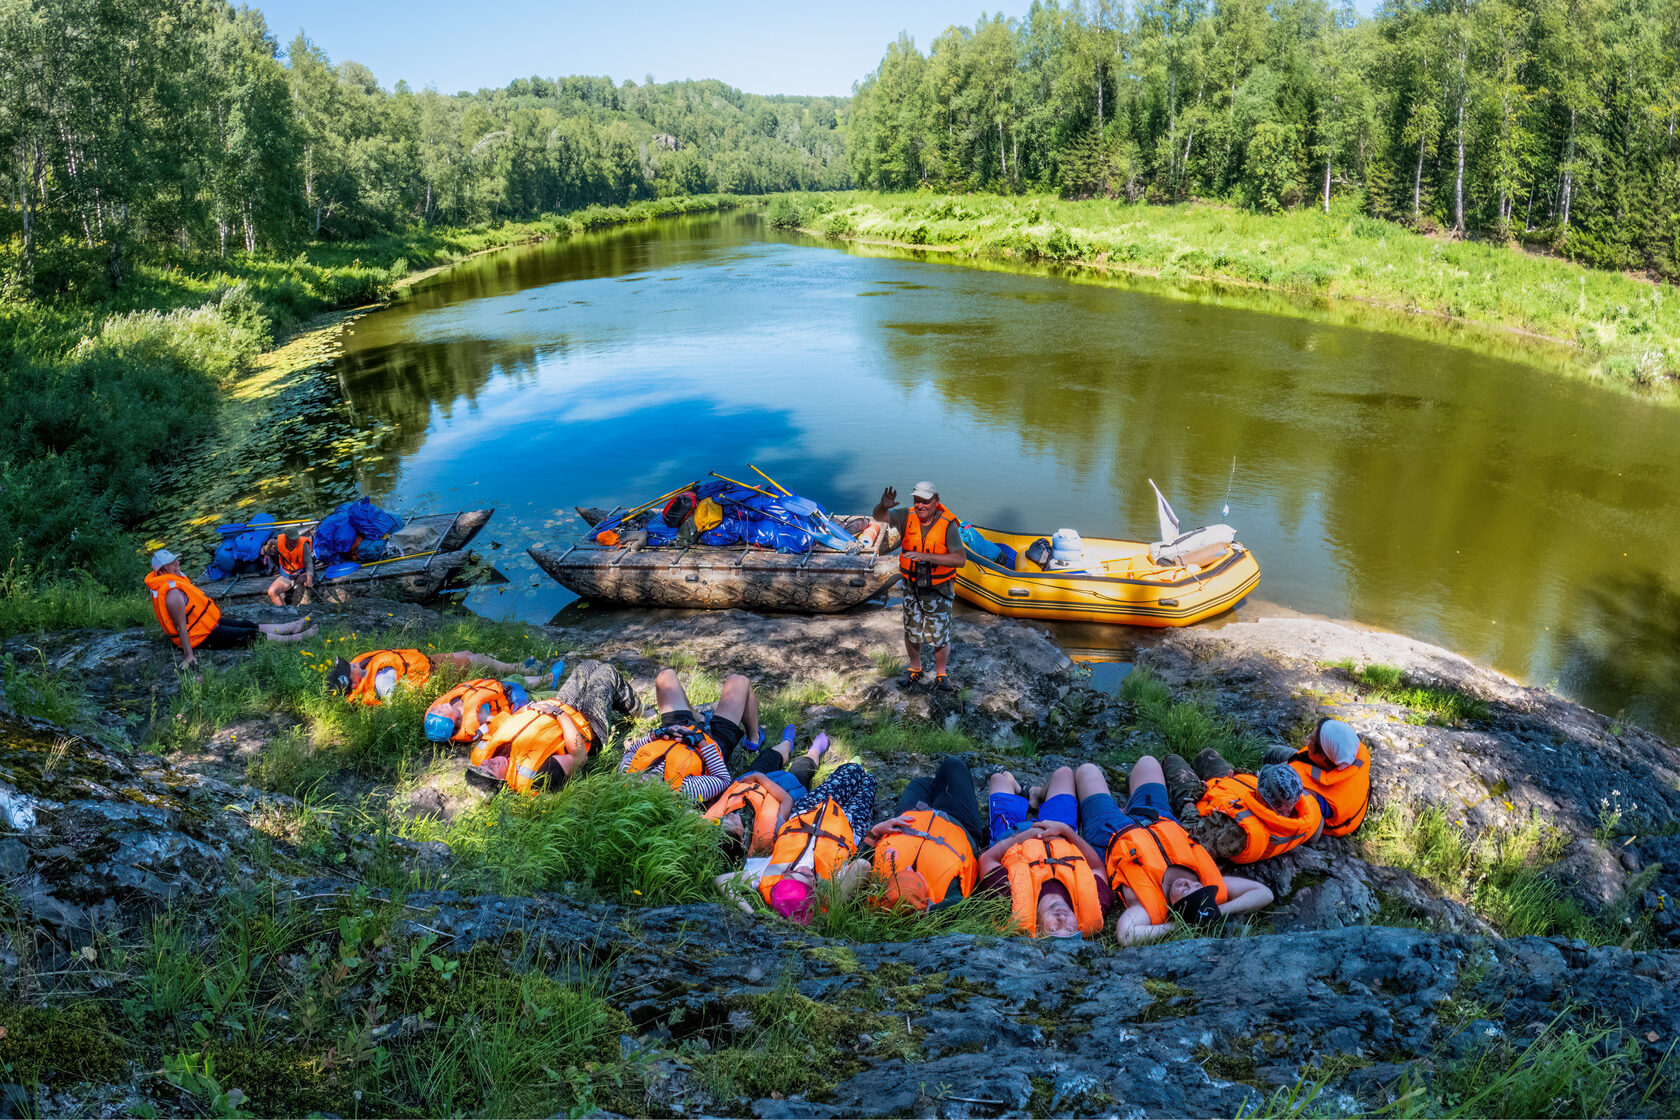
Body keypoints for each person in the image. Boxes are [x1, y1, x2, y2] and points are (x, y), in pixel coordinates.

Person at [1076, 757, 1274, 945]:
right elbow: (1264, 893)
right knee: (1147, 762)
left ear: (1175, 909)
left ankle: (1121, 808)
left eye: (1185, 892)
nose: (1189, 884)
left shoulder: (1149, 908)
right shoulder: (1212, 886)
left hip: (1110, 832)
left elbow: (1127, 935)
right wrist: (1218, 911)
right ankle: (1131, 804)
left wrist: (1177, 925)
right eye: (1196, 887)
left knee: (1087, 771)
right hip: (1157, 816)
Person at [714, 761, 878, 925]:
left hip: (808, 810)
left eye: (796, 873)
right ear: (813, 890)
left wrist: (753, 916)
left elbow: (721, 881)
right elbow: (863, 865)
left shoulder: (768, 872)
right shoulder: (828, 887)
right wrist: (833, 902)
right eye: (807, 876)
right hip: (849, 825)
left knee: (852, 770)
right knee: (870, 781)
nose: (805, 869)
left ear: (784, 876)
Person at [974, 765, 1113, 938]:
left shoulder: (1009, 907)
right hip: (1059, 830)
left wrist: (1024, 836)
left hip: (1011, 834)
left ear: (1038, 931)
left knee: (998, 779)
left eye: (1054, 929)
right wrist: (1065, 831)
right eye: (1070, 930)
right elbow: (1097, 868)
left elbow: (987, 859)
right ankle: (1036, 795)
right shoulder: (1095, 905)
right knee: (1064, 773)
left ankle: (1015, 787)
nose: (1062, 918)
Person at [465, 660, 641, 795]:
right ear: (502, 781)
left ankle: (616, 700)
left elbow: (504, 723)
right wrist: (558, 714)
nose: (488, 761)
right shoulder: (539, 776)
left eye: (484, 764)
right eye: (491, 769)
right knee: (606, 672)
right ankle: (640, 712)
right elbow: (579, 758)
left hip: (558, 707)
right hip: (587, 726)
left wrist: (529, 708)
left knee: (588, 666)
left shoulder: (488, 753)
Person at [145, 549, 316, 669]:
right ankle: (297, 638)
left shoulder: (173, 583)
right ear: (161, 571)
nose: (177, 563)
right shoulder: (172, 594)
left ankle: (291, 627)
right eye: (171, 563)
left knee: (246, 624)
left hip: (206, 624)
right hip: (200, 637)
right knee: (248, 636)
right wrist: (189, 656)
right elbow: (181, 627)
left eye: (175, 560)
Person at [862, 754, 986, 911]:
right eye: (914, 877)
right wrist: (930, 911)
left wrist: (874, 832)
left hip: (912, 815)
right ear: (926, 899)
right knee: (953, 765)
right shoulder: (948, 895)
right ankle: (944, 790)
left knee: (918, 784)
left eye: (901, 875)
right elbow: (965, 907)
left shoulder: (877, 887)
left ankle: (942, 789)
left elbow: (858, 861)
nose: (908, 869)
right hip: (958, 822)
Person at [873, 481, 966, 691]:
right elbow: (879, 517)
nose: (921, 505)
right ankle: (916, 669)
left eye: (925, 501)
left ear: (936, 501)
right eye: (917, 500)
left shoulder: (948, 525)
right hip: (911, 585)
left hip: (938, 587)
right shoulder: (906, 516)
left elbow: (960, 559)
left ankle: (941, 674)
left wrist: (927, 556)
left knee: (940, 635)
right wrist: (883, 505)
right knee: (911, 629)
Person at [621, 667, 761, 804]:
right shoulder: (683, 788)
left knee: (666, 676)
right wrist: (702, 743)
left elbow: (631, 751)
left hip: (677, 730)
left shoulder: (629, 772)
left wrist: (654, 735)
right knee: (739, 681)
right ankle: (754, 739)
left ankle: (697, 717)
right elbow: (722, 780)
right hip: (714, 741)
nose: (643, 780)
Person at [1162, 751, 1323, 863]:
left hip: (1199, 800)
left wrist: (1190, 801)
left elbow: (1191, 838)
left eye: (1260, 779)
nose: (1257, 776)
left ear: (1264, 797)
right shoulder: (1308, 810)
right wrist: (1242, 776)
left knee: (1172, 760)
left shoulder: (1239, 831)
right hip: (1229, 790)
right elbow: (1315, 834)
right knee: (1208, 755)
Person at [704, 727, 832, 855]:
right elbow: (787, 801)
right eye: (732, 822)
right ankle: (814, 751)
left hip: (751, 784)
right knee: (804, 767)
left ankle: (787, 743)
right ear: (742, 841)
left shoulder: (718, 823)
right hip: (785, 789)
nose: (729, 816)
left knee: (768, 756)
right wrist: (760, 778)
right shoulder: (765, 836)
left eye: (722, 820)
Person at [327, 648, 556, 706]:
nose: (353, 663)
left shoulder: (365, 669)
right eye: (350, 669)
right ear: (354, 682)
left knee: (473, 657)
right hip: (434, 674)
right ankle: (536, 679)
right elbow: (399, 699)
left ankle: (521, 669)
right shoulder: (380, 682)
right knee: (479, 666)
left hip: (427, 662)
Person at [1271, 718, 1371, 838]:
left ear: (1323, 757)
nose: (1307, 741)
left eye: (1311, 740)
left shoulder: (1319, 798)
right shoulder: (1348, 751)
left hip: (1326, 812)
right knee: (1275, 753)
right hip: (1317, 773)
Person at [260, 531, 315, 607]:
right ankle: (283, 612)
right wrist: (268, 547)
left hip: (302, 574)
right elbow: (263, 552)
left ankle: (294, 608)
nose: (293, 543)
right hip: (287, 576)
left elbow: (309, 563)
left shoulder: (304, 545)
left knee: (300, 583)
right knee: (272, 591)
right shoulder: (278, 543)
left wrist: (309, 577)